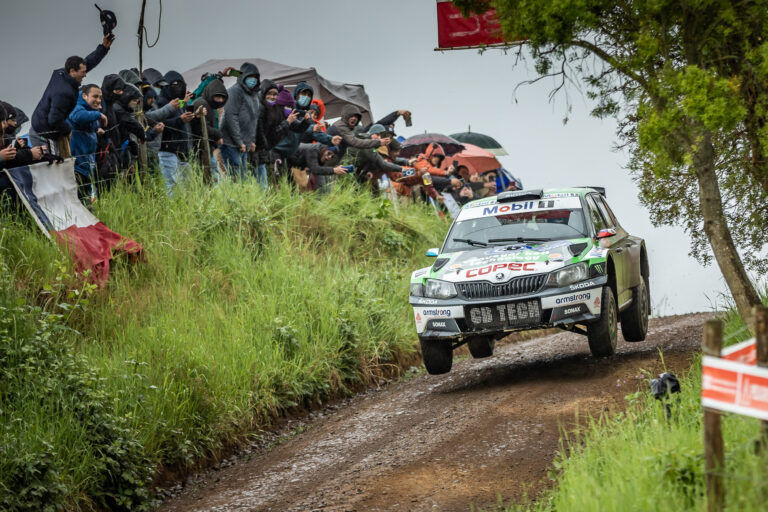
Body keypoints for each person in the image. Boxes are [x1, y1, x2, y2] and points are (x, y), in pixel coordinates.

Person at [30, 35, 114, 150]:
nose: (85, 75)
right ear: (72, 71)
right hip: (43, 133)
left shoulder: (62, 73)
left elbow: (88, 62)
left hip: (44, 126)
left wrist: (103, 48)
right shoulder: (64, 93)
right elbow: (54, 119)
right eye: (83, 73)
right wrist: (68, 129)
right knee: (54, 165)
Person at [220, 62, 261, 183]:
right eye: (250, 77)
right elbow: (231, 117)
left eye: (255, 78)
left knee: (242, 178)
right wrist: (239, 142)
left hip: (244, 144)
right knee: (235, 177)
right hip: (232, 144)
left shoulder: (254, 95)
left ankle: (239, 201)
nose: (252, 81)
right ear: (243, 77)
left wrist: (251, 141)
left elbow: (254, 119)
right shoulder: (235, 91)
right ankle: (230, 200)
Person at [157, 71, 196, 194]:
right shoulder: (161, 102)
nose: (178, 88)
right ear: (167, 86)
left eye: (180, 85)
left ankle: (183, 210)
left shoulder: (180, 103)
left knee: (185, 185)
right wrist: (180, 120)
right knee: (171, 184)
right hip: (167, 149)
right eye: (174, 85)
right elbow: (159, 124)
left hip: (181, 150)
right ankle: (171, 211)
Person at [68, 84, 107, 201]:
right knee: (81, 199)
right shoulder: (76, 105)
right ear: (84, 96)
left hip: (87, 163)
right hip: (76, 164)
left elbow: (88, 125)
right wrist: (99, 115)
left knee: (87, 197)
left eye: (100, 97)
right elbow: (77, 117)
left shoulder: (89, 109)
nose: (98, 100)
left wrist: (96, 130)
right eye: (95, 96)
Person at [190, 77, 228, 180]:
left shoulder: (211, 106)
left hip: (208, 147)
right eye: (217, 97)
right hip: (200, 148)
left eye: (222, 98)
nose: (220, 100)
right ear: (211, 94)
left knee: (213, 176)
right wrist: (218, 135)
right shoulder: (202, 103)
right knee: (211, 177)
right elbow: (202, 128)